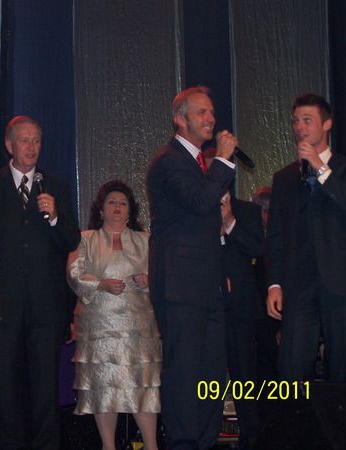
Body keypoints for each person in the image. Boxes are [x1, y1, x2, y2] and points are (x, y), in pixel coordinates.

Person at [0, 115, 80, 450]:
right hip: (2, 304)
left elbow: (71, 240)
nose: (32, 147)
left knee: (44, 389)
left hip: (45, 306)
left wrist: (55, 217)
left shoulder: (56, 187)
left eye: (36, 141)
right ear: (9, 145)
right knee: (3, 387)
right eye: (24, 140)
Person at [146, 86, 237, 450]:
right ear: (180, 119)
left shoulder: (199, 163)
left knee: (212, 370)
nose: (211, 119)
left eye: (212, 112)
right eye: (202, 112)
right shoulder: (168, 161)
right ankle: (183, 442)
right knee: (184, 371)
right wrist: (224, 161)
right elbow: (200, 201)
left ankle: (206, 440)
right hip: (180, 287)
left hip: (207, 286)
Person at [67, 180, 161, 450]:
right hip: (99, 328)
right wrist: (101, 284)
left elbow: (165, 275)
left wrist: (149, 280)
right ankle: (108, 446)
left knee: (142, 386)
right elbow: (74, 274)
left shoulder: (146, 240)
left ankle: (151, 445)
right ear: (101, 209)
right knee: (103, 387)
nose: (117, 207)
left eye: (123, 203)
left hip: (139, 328)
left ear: (130, 210)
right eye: (111, 202)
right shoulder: (86, 238)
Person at [266, 93, 346, 382]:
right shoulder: (284, 178)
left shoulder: (341, 169)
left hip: (339, 283)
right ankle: (296, 412)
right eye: (296, 121)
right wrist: (274, 284)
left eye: (307, 120)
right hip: (299, 283)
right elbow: (275, 235)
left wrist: (321, 169)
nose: (299, 127)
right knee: (291, 366)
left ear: (327, 124)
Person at [219, 191, 264, 450]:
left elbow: (258, 248)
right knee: (205, 375)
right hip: (206, 306)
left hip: (240, 307)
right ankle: (206, 435)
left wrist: (229, 222)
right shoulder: (196, 207)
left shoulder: (248, 211)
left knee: (244, 376)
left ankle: (251, 438)